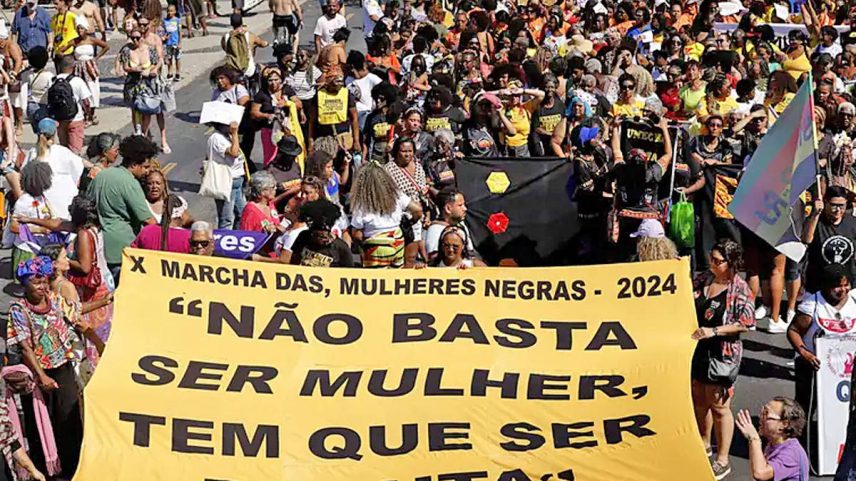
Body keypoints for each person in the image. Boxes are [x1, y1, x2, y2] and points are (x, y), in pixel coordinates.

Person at [7, 257, 82, 479]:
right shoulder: (19, 310)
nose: (41, 287)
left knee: (68, 418)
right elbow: (25, 347)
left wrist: (106, 300)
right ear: (25, 285)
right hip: (39, 374)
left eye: (44, 281)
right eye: (35, 283)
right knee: (40, 422)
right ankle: (43, 469)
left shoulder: (56, 300)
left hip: (63, 367)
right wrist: (42, 376)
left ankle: (72, 466)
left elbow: (77, 312)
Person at [690, 239, 755, 480]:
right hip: (698, 350)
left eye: (718, 261)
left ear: (731, 263)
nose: (713, 264)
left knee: (719, 406)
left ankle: (723, 458)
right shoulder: (705, 279)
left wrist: (714, 331)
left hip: (722, 353)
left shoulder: (740, 289)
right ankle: (704, 444)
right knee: (699, 400)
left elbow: (746, 324)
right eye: (711, 259)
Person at [787, 264, 856, 430]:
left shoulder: (854, 302)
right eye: (838, 286)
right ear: (826, 285)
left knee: (843, 408)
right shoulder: (812, 305)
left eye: (846, 285)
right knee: (805, 408)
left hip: (845, 371)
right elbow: (793, 331)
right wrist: (805, 353)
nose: (843, 289)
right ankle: (800, 444)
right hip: (813, 367)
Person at [86, 135, 157, 282]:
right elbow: (148, 220)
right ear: (133, 164)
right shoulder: (130, 183)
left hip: (99, 246)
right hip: (123, 249)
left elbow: (86, 204)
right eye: (145, 167)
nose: (147, 172)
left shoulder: (101, 176)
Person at [351, 161, 419, 268]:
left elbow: (357, 234)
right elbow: (418, 210)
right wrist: (410, 222)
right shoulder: (396, 195)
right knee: (396, 279)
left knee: (377, 282)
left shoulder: (361, 203)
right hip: (398, 241)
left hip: (376, 246)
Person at [734, 397, 809, 481]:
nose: (761, 417)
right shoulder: (774, 444)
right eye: (762, 412)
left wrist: (754, 439)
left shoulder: (791, 454)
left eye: (766, 414)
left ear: (784, 424)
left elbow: (760, 473)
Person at [25, 118, 84, 220]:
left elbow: (24, 174)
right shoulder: (61, 151)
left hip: (40, 205)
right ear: (54, 134)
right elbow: (78, 169)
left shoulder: (32, 153)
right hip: (64, 202)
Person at [802, 185, 856, 294]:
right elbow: (806, 239)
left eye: (842, 206)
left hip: (846, 285)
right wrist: (815, 214)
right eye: (834, 205)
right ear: (825, 202)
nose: (838, 210)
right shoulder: (816, 221)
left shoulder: (852, 222)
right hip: (818, 285)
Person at [207, 121, 247, 229]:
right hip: (227, 181)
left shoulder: (225, 136)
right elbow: (234, 153)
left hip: (236, 181)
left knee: (242, 213)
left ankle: (237, 235)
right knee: (227, 218)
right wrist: (234, 134)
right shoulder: (217, 138)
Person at [289, 199, 353, 267]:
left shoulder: (341, 247)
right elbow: (294, 262)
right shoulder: (303, 237)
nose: (321, 239)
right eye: (317, 236)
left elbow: (349, 272)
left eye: (324, 236)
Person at [52, 54, 92, 154]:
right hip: (76, 119)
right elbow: (86, 102)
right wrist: (88, 115)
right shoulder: (78, 81)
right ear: (73, 67)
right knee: (75, 151)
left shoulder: (53, 80)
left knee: (64, 151)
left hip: (60, 119)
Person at [240, 171, 285, 256]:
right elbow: (246, 237)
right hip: (261, 254)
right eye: (272, 187)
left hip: (274, 251)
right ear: (262, 191)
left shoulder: (269, 204)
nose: (275, 190)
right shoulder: (251, 210)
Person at [424, 188, 473, 261]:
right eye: (460, 205)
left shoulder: (461, 226)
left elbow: (470, 254)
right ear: (448, 209)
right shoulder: (436, 231)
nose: (465, 208)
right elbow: (434, 260)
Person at [162, 4, 182, 81]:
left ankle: (178, 72)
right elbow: (163, 31)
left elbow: (180, 32)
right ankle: (170, 72)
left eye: (171, 11)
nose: (169, 12)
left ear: (175, 11)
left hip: (175, 42)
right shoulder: (165, 21)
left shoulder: (177, 20)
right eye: (168, 11)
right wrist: (164, 37)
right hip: (168, 43)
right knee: (169, 58)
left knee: (177, 58)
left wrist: (180, 43)